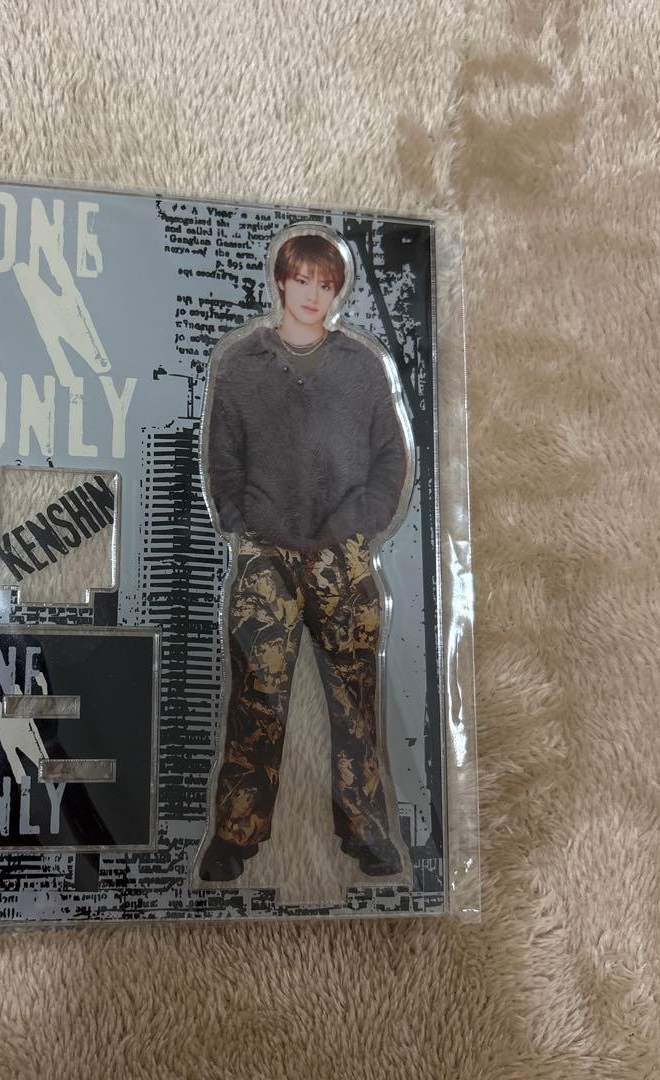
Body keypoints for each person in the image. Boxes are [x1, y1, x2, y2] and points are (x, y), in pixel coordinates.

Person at [197, 224, 414, 882]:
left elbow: (391, 456)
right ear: (281, 283)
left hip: (343, 559)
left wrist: (362, 524)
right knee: (256, 699)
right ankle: (235, 836)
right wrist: (242, 526)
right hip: (264, 558)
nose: (313, 294)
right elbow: (221, 460)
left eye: (326, 284)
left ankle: (366, 834)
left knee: (355, 702)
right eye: (302, 281)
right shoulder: (241, 366)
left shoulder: (362, 366)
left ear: (337, 291)